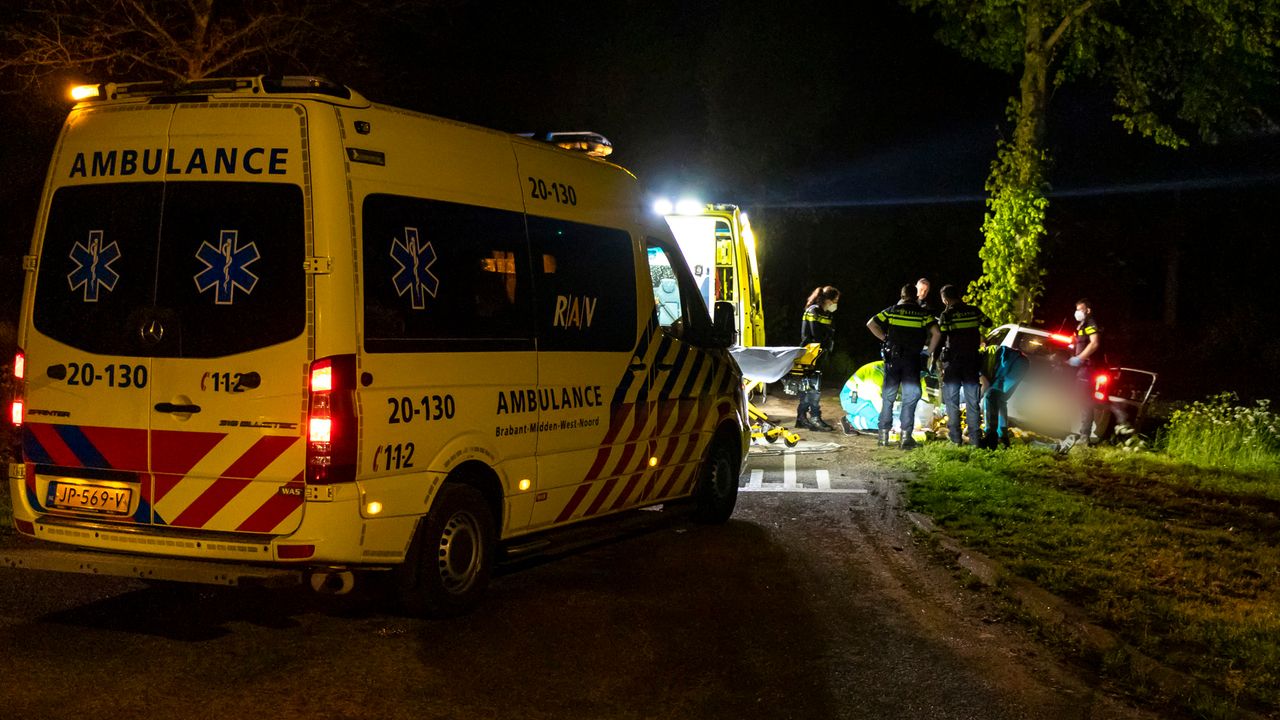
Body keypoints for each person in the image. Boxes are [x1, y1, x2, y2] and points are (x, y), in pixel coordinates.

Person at [867, 283, 940, 449]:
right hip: (912, 361)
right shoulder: (923, 313)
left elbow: (871, 323)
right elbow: (937, 332)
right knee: (910, 397)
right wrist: (928, 352)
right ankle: (906, 438)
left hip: (892, 359)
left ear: (902, 295)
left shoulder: (892, 310)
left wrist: (885, 338)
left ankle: (883, 437)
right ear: (915, 296)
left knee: (888, 397)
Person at [936, 285, 989, 445]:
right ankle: (975, 439)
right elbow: (988, 322)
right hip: (972, 361)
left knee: (952, 401)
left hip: (953, 363)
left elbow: (941, 336)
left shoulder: (947, 315)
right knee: (972, 401)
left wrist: (936, 358)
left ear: (945, 299)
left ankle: (956, 438)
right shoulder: (974, 311)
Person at [797, 285, 840, 431]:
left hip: (820, 353)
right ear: (828, 299)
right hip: (810, 353)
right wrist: (827, 335)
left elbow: (829, 334)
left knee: (812, 386)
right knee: (811, 386)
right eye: (835, 300)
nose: (836, 304)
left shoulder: (827, 314)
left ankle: (802, 417)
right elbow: (815, 335)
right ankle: (813, 417)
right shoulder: (813, 311)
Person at [981, 343, 1029, 448]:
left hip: (1011, 364)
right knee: (1000, 399)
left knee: (990, 395)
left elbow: (985, 385)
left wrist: (975, 401)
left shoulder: (974, 364)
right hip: (1021, 362)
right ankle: (1002, 436)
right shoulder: (981, 355)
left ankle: (991, 434)